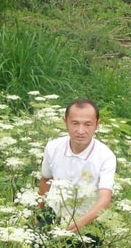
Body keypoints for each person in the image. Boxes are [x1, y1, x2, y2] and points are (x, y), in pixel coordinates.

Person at [38, 98, 116, 235]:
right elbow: (46, 180)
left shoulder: (105, 156)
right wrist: (39, 215)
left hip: (88, 221)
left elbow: (105, 199)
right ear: (65, 122)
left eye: (87, 124)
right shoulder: (53, 147)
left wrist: (79, 223)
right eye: (75, 123)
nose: (81, 131)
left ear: (97, 125)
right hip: (53, 215)